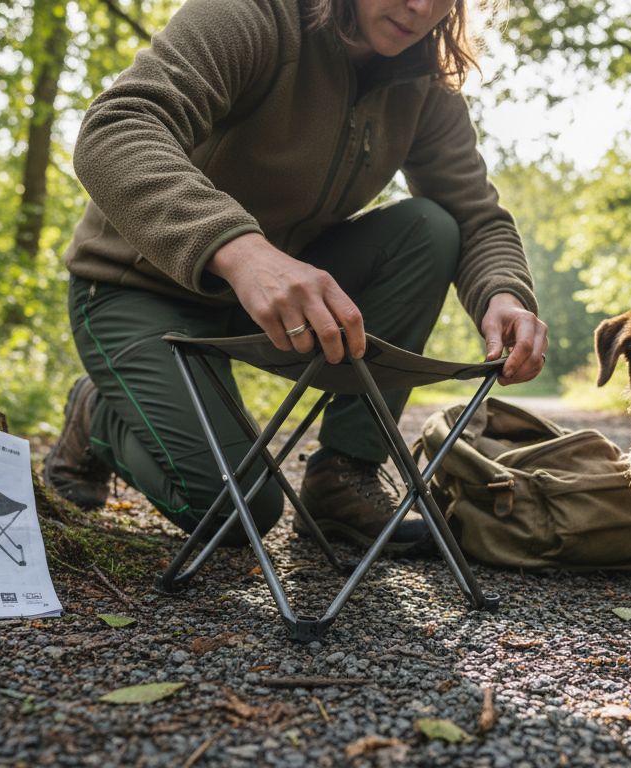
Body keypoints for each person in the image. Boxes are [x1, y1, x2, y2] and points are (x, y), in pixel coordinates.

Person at [43, 0, 548, 554]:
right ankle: (97, 415)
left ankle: (345, 475)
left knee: (430, 227)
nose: (420, 7)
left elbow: (476, 215)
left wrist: (504, 292)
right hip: (135, 288)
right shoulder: (254, 15)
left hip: (275, 295)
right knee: (240, 511)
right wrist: (240, 250)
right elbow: (116, 129)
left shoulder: (424, 82)